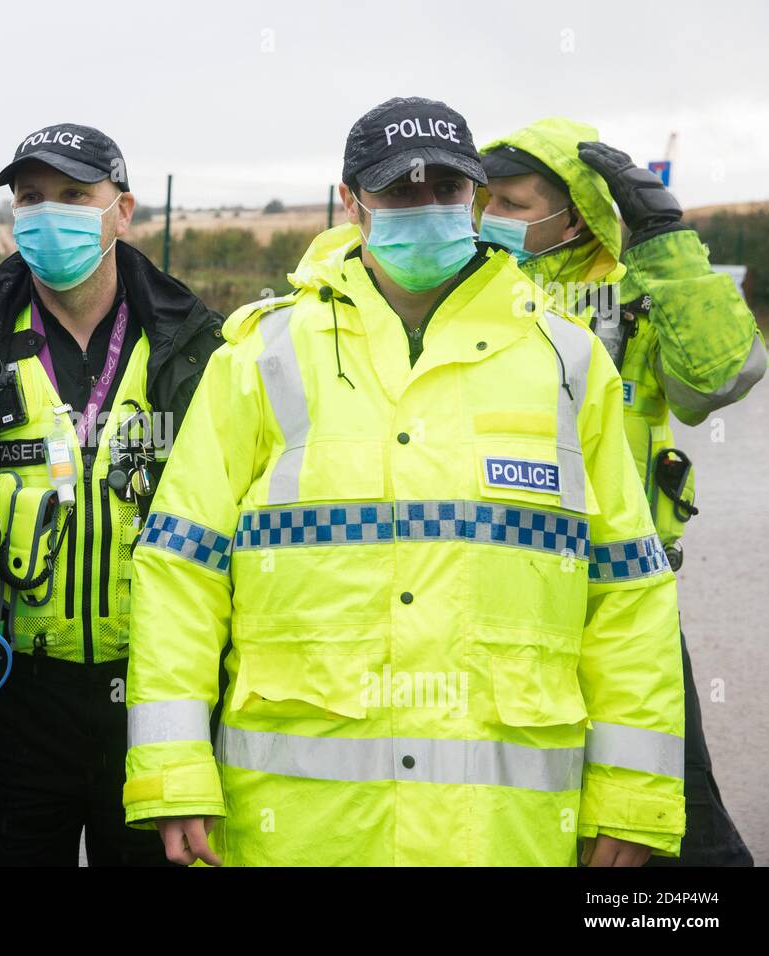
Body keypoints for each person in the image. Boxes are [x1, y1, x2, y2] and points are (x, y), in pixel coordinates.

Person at [122, 97, 686, 866]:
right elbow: (181, 572)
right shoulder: (258, 360)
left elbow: (626, 591)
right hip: (305, 831)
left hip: (502, 837)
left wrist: (631, 797)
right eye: (399, 192)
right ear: (351, 203)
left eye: (446, 191)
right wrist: (173, 769)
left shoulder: (568, 362)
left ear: (476, 200)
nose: (425, 209)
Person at [478, 118, 766, 865]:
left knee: (676, 822)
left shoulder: (637, 286)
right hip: (497, 588)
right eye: (486, 200)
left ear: (572, 210)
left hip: (621, 589)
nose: (491, 219)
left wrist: (664, 243)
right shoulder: (469, 281)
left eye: (513, 202)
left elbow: (720, 378)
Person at [0, 123, 223, 866]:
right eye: (32, 198)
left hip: (150, 696)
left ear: (123, 211)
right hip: (14, 694)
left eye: (74, 196)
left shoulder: (196, 343)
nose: (48, 213)